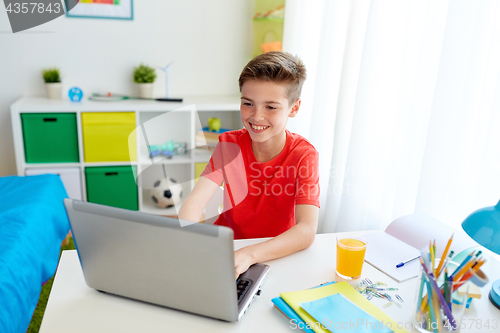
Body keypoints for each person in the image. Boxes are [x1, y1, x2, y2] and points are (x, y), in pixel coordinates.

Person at [178, 51, 320, 278]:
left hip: (275, 253)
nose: (256, 116)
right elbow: (195, 203)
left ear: (293, 108)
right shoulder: (229, 144)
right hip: (227, 250)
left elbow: (306, 231)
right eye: (248, 103)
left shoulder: (303, 155)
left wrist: (250, 255)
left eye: (271, 107)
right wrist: (191, 238)